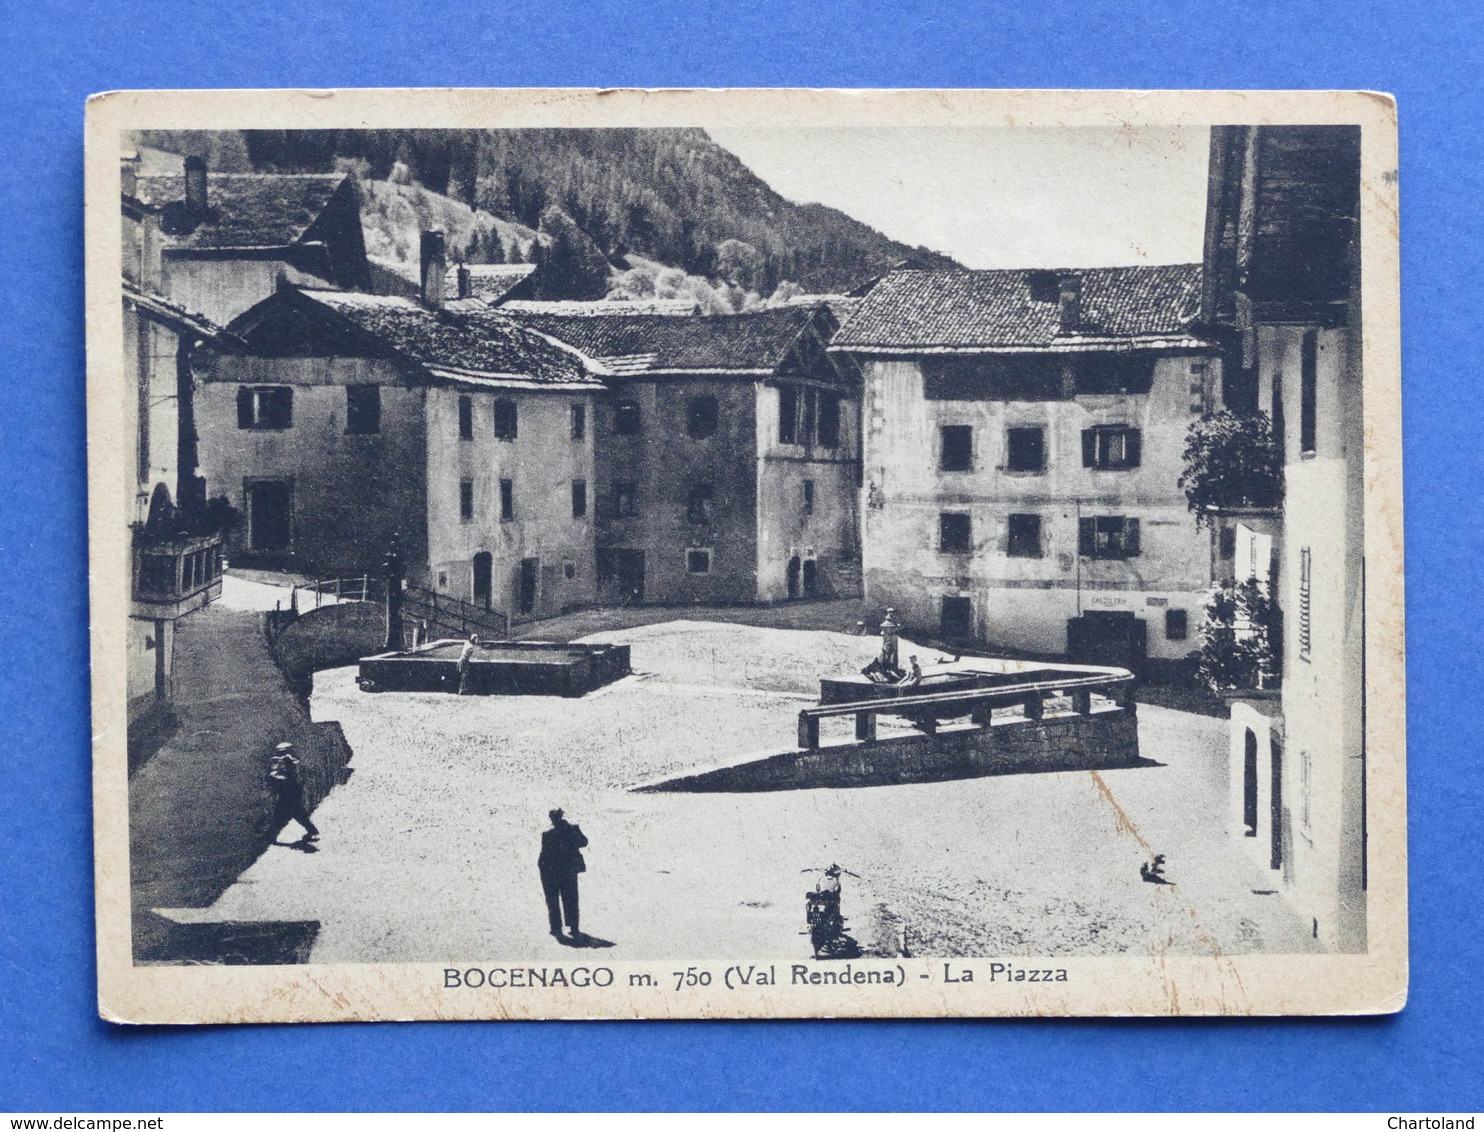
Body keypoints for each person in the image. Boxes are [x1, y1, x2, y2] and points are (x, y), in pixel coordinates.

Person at [538, 808, 588, 939]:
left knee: (552, 900)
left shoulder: (548, 833)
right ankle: (574, 927)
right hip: (569, 870)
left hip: (551, 871)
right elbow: (584, 842)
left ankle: (556, 928)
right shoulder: (573, 828)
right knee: (571, 899)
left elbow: (544, 855)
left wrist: (543, 870)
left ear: (552, 818)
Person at [268, 741, 318, 842]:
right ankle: (312, 831)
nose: (280, 755)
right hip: (288, 791)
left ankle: (270, 835)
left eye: (282, 752)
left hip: (290, 791)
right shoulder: (288, 760)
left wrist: (276, 775)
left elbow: (289, 776)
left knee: (291, 812)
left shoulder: (289, 761)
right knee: (293, 812)